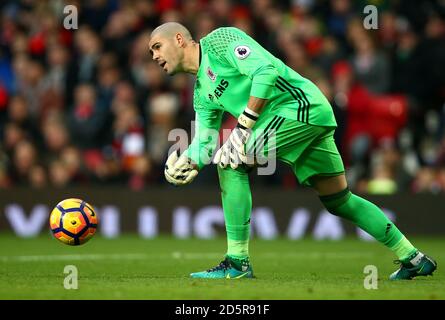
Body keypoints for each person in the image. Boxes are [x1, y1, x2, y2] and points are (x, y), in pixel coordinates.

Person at [148, 22, 437, 280]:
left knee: (231, 162)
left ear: (179, 39)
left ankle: (237, 262)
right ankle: (412, 257)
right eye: (151, 53)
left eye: (157, 47)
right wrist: (187, 161)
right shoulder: (201, 91)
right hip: (300, 120)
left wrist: (244, 125)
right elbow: (206, 141)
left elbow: (266, 71)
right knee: (339, 200)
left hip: (298, 109)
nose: (155, 56)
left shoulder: (221, 40)